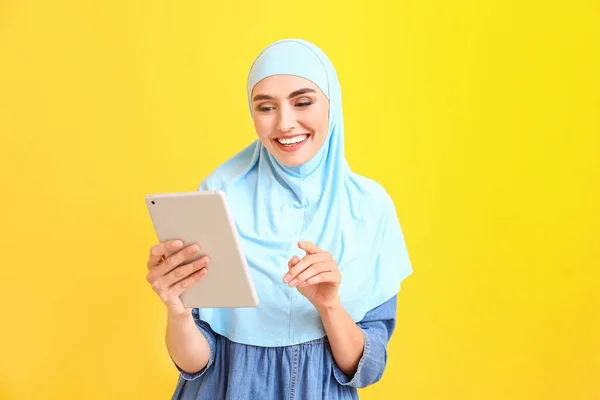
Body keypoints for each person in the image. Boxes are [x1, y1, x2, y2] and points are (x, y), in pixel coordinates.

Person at [145, 38, 413, 400]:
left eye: (303, 102)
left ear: (332, 104)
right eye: (266, 107)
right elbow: (195, 366)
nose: (285, 124)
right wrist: (177, 311)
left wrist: (329, 304)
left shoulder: (370, 207)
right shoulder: (218, 194)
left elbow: (365, 370)